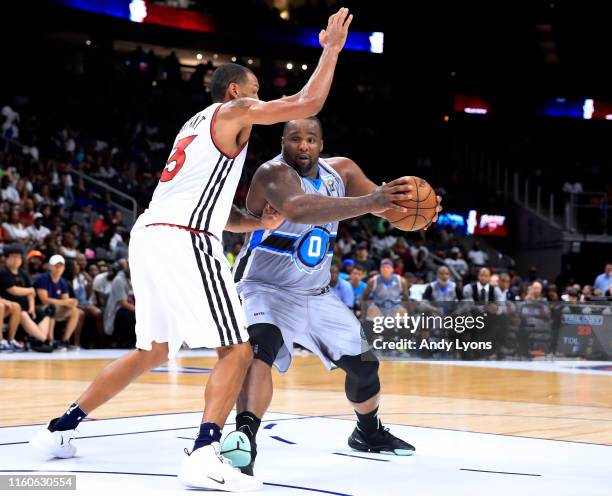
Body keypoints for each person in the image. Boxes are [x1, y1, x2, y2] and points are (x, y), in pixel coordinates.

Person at [31, 8, 356, 492]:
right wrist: (330, 48)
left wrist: (252, 222)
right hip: (185, 239)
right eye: (255, 90)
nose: (259, 98)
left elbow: (211, 206)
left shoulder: (193, 126)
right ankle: (204, 455)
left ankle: (59, 430)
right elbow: (307, 100)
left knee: (152, 350)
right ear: (235, 93)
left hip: (153, 233)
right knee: (238, 349)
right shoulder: (233, 112)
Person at [226, 116, 440, 476]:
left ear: (321, 144)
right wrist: (371, 200)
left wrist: (417, 212)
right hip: (264, 286)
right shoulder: (272, 174)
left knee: (365, 365)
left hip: (315, 291)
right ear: (283, 142)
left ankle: (367, 433)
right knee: (259, 350)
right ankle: (243, 441)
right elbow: (299, 208)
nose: (303, 145)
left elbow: (383, 206)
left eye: (311, 139)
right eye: (295, 139)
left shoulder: (342, 172)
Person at [0, 246, 54, 352]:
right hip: (11, 306)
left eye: (19, 257)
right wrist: (29, 291)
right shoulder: (3, 272)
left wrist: (32, 307)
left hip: (25, 305)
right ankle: (44, 340)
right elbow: (13, 290)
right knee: (21, 312)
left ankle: (36, 340)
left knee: (45, 314)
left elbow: (32, 293)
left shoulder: (23, 273)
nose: (16, 260)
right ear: (6, 258)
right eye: (13, 257)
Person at [33, 254, 82, 350]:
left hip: (54, 306)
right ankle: (51, 340)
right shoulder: (43, 279)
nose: (58, 269)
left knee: (75, 311)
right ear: (50, 267)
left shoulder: (63, 282)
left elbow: (66, 300)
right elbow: (44, 300)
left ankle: (65, 341)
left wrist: (72, 303)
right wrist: (64, 302)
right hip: (39, 307)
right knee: (52, 307)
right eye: (56, 266)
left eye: (61, 266)